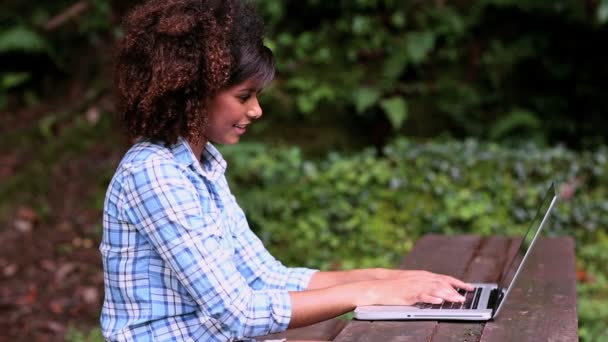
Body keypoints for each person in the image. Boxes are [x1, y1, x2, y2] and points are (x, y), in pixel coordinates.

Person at [100, 0, 473, 341]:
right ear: (192, 92)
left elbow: (266, 278)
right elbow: (240, 312)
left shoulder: (200, 167)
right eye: (244, 96)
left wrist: (393, 279)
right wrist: (369, 292)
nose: (257, 111)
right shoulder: (153, 174)